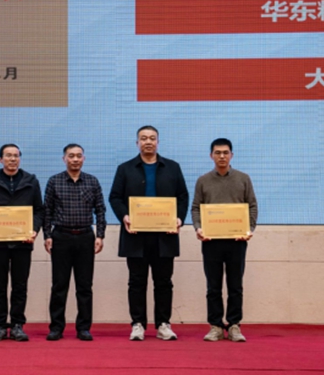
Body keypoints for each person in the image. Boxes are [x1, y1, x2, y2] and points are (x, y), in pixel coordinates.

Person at [109, 126, 189, 341]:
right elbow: (115, 197)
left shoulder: (172, 167)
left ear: (158, 142)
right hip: (135, 235)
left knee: (164, 282)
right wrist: (124, 216)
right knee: (136, 282)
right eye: (143, 138)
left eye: (152, 138)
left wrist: (179, 218)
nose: (148, 142)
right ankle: (137, 324)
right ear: (137, 143)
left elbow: (182, 196)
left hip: (164, 235)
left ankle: (163, 324)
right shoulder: (125, 168)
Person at [191, 138, 258, 343]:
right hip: (211, 241)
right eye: (218, 153)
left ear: (232, 155)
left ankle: (234, 325)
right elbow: (196, 207)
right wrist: (198, 228)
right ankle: (216, 326)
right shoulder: (203, 180)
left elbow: (252, 206)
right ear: (211, 155)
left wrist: (249, 229)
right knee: (213, 286)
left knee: (235, 286)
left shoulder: (243, 179)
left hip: (237, 240)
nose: (222, 156)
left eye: (225, 152)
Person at [0, 143, 44, 342]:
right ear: (1, 159)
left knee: (20, 286)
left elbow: (39, 210)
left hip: (23, 242)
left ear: (19, 159)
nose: (12, 159)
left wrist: (34, 230)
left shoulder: (31, 182)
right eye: (8, 155)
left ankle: (17, 325)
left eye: (16, 155)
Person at [43, 144, 107, 342]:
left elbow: (100, 210)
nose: (75, 159)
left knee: (85, 286)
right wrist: (47, 235)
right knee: (59, 285)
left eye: (79, 156)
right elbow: (47, 211)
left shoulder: (92, 181)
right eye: (71, 156)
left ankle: (84, 328)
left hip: (85, 237)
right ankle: (56, 328)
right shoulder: (54, 181)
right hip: (61, 237)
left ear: (84, 159)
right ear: (64, 159)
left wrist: (100, 235)